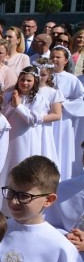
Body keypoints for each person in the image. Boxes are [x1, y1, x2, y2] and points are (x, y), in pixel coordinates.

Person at [2, 67, 55, 195]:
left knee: (22, 166)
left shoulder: (38, 98)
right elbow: (3, 117)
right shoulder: (9, 96)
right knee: (7, 168)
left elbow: (32, 120)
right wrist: (12, 104)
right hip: (9, 137)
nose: (25, 83)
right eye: (22, 80)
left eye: (29, 80)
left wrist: (19, 106)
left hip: (26, 138)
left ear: (35, 81)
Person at [47, 46, 84, 179]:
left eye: (58, 57)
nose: (54, 59)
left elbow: (80, 99)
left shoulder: (71, 79)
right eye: (52, 56)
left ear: (66, 60)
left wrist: (64, 105)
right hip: (47, 119)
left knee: (62, 149)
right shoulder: (45, 76)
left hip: (64, 120)